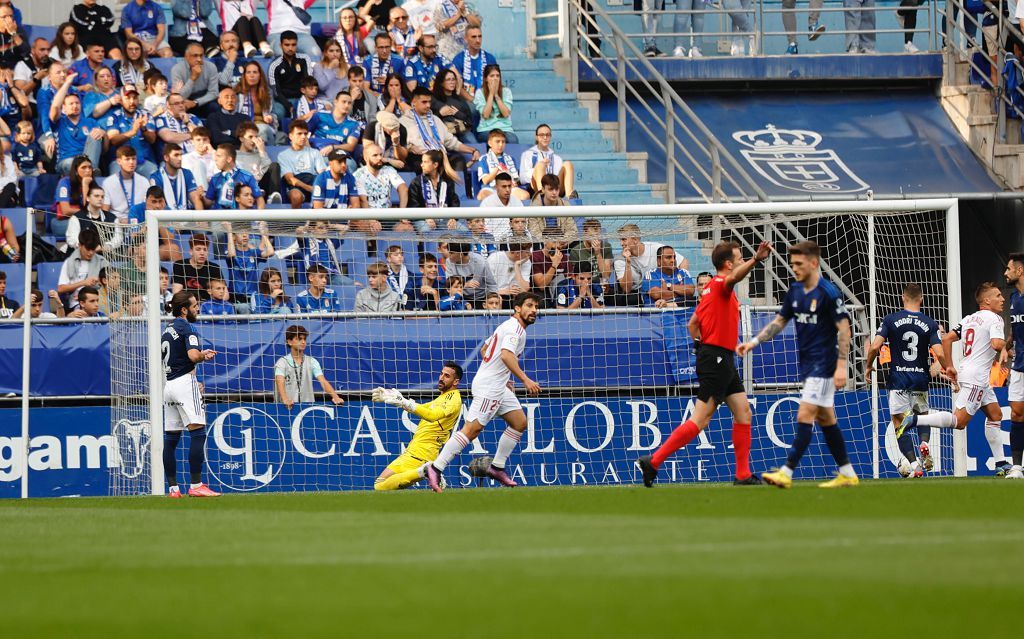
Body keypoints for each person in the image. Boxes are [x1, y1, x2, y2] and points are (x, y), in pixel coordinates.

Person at [636, 241, 770, 486]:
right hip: (717, 358)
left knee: (743, 412)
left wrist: (702, 345)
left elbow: (692, 324)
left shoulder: (708, 290)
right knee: (700, 420)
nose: (741, 262)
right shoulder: (720, 284)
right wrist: (756, 260)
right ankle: (653, 461)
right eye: (739, 259)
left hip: (720, 357)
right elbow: (734, 278)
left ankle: (742, 475)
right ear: (729, 264)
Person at [738, 240, 858, 488]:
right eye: (792, 264)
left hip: (824, 365)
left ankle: (787, 471)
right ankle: (847, 473)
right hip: (807, 363)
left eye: (799, 264)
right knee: (826, 418)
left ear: (814, 263)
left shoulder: (828, 292)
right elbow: (780, 321)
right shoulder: (794, 291)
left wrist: (841, 365)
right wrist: (754, 342)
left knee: (805, 414)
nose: (794, 268)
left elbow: (844, 329)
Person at [423, 291, 543, 491]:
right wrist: (525, 379)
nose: (533, 310)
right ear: (517, 308)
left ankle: (496, 467)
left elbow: (485, 350)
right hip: (490, 386)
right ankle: (436, 467)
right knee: (472, 430)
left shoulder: (507, 325)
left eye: (536, 307)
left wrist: (503, 377)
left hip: (495, 383)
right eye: (529, 306)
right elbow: (505, 355)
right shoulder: (516, 330)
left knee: (519, 422)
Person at [897, 282, 1011, 476]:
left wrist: (948, 365)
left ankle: (1001, 463)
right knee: (959, 422)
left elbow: (947, 338)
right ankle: (914, 419)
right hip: (977, 378)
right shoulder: (995, 319)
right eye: (998, 295)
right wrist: (1006, 345)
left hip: (971, 373)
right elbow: (996, 344)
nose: (1002, 299)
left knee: (995, 415)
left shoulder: (969, 319)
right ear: (986, 300)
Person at [864, 283, 949, 478]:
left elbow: (875, 346)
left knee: (899, 423)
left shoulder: (891, 319)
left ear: (903, 297)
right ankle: (925, 443)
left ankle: (914, 464)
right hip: (920, 378)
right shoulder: (930, 322)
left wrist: (869, 366)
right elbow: (939, 352)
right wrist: (948, 367)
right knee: (922, 415)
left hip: (898, 380)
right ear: (922, 298)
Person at [161, 290, 220, 497]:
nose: (198, 309)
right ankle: (196, 485)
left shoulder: (167, 330)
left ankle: (173, 488)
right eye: (195, 306)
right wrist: (203, 356)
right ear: (184, 309)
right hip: (185, 383)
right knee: (198, 432)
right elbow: (193, 356)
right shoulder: (188, 328)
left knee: (171, 438)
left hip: (168, 387)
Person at [372, 361, 463, 490]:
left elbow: (432, 415)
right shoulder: (442, 398)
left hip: (422, 454)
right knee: (381, 483)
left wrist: (405, 402)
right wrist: (397, 399)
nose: (441, 378)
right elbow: (421, 408)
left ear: (455, 382)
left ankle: (426, 470)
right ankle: (427, 471)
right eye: (441, 374)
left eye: (447, 376)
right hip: (414, 451)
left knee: (380, 487)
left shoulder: (453, 399)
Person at [401, 85, 478, 173]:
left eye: (429, 102)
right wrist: (409, 147)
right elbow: (400, 147)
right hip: (421, 159)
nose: (428, 105)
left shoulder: (435, 119)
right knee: (419, 163)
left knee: (458, 160)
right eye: (424, 102)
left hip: (440, 157)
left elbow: (451, 142)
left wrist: (473, 150)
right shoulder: (403, 122)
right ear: (413, 102)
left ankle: (456, 187)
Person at [275, 324, 344, 409]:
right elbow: (280, 382)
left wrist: (335, 397)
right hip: (287, 408)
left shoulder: (312, 361)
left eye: (304, 339)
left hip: (307, 408)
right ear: (289, 342)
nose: (303, 342)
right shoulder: (282, 362)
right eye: (299, 339)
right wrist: (285, 399)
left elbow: (323, 381)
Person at [49, 75, 104, 175]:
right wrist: (67, 84)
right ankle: (89, 171)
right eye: (71, 104)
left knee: (96, 133)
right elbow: (55, 106)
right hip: (66, 161)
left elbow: (105, 147)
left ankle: (90, 170)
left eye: (77, 103)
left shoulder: (90, 122)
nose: (75, 106)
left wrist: (103, 133)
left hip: (88, 159)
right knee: (71, 164)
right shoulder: (59, 121)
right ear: (64, 108)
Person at [353, 143, 410, 232]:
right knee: (372, 229)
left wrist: (402, 213)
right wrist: (371, 220)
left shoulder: (388, 170)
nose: (379, 158)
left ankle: (394, 246)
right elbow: (362, 200)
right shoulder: (358, 175)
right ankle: (374, 246)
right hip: (366, 214)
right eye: (375, 155)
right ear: (366, 158)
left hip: (386, 214)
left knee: (407, 228)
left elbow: (403, 188)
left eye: (380, 155)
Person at [105, 85, 158, 178]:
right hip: (120, 162)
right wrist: (132, 132)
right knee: (115, 180)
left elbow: (152, 139)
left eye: (135, 98)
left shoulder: (145, 114)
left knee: (157, 179)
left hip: (144, 161)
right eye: (128, 98)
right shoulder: (114, 117)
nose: (132, 102)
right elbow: (113, 140)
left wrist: (143, 129)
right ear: (121, 100)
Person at [1004, 254, 1024, 479]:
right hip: (1019, 365)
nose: (1005, 273)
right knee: (1017, 414)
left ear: (1020, 271)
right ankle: (1017, 467)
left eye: (1008, 269)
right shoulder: (1014, 298)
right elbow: (1014, 329)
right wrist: (1004, 348)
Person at [408, 149, 461, 233]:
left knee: (463, 230)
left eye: (425, 162)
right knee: (426, 230)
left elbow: (454, 202)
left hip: (444, 218)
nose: (422, 165)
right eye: (422, 162)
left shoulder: (447, 181)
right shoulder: (417, 182)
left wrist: (453, 218)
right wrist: (426, 217)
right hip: (422, 219)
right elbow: (413, 206)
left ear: (435, 165)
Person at [279, 119, 327, 208]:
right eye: (299, 134)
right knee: (296, 196)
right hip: (297, 185)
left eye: (305, 134)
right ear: (290, 136)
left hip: (314, 182)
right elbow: (290, 180)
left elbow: (322, 174)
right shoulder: (283, 155)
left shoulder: (315, 152)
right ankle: (298, 222)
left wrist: (317, 188)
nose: (303, 137)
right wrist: (309, 188)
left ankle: (319, 221)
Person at [57, 227, 109, 309]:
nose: (91, 253)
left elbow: (113, 284)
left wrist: (100, 282)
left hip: (101, 301)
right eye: (88, 249)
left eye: (93, 249)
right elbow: (61, 289)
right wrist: (83, 283)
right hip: (78, 303)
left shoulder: (102, 261)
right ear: (80, 245)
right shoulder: (69, 263)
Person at [520, 124, 576, 198]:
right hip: (536, 188)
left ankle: (570, 196)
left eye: (548, 135)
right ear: (536, 137)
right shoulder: (527, 154)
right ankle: (543, 197)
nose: (545, 137)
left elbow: (556, 180)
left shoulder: (557, 158)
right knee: (540, 165)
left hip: (554, 188)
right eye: (541, 135)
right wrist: (540, 168)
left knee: (568, 164)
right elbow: (523, 178)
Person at [204, 142, 266, 209]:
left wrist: (260, 219)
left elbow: (259, 199)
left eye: (219, 156)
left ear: (229, 159)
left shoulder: (247, 176)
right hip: (220, 218)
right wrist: (201, 196)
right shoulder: (215, 179)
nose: (215, 159)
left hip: (242, 218)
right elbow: (208, 202)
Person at [267, 33, 311, 124]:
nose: (290, 48)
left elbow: (308, 83)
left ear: (297, 45)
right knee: (279, 113)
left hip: (301, 98)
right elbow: (276, 92)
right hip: (282, 100)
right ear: (281, 45)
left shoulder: (304, 59)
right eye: (287, 45)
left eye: (293, 45)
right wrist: (289, 106)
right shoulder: (274, 65)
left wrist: (302, 102)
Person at [67, 183, 122, 252]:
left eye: (102, 197)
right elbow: (72, 240)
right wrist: (88, 247)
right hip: (81, 255)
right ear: (88, 198)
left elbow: (118, 238)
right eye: (96, 196)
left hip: (105, 255)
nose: (100, 199)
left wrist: (106, 247)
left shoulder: (112, 218)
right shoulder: (76, 217)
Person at [225, 222, 274, 299]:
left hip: (253, 296)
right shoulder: (231, 252)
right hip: (236, 296)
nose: (244, 235)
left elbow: (270, 252)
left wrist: (263, 234)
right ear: (234, 236)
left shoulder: (254, 252)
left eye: (247, 232)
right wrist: (229, 232)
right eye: (241, 233)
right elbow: (231, 254)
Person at [476, 129, 528, 201]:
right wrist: (498, 169)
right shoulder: (484, 159)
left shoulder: (511, 159)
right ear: (490, 143)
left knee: (525, 196)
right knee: (482, 196)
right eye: (497, 141)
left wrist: (514, 182)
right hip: (491, 189)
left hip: (508, 188)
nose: (501, 144)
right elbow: (485, 180)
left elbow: (516, 179)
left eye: (503, 142)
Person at [151, 142, 205, 211]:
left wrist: (201, 220)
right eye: (176, 155)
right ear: (166, 157)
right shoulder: (156, 177)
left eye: (181, 155)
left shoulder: (187, 173)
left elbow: (195, 198)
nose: (180, 158)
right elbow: (157, 204)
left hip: (185, 218)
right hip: (165, 218)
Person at [170, 42, 219, 116]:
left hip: (204, 99)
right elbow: (180, 96)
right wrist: (193, 78)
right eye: (195, 56)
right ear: (186, 56)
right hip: (185, 100)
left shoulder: (211, 67)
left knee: (214, 107)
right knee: (179, 107)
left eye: (201, 55)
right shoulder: (177, 69)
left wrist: (196, 102)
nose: (199, 59)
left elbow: (214, 93)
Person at [103, 146, 150, 220]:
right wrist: (118, 221)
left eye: (133, 159)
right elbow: (105, 212)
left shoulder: (144, 181)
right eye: (127, 159)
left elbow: (148, 208)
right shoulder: (108, 182)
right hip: (117, 224)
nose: (131, 162)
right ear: (119, 161)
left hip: (139, 222)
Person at [472, 64, 517, 143]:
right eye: (492, 76)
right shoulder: (479, 92)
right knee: (494, 140)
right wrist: (491, 94)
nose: (495, 78)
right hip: (486, 130)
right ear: (486, 79)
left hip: (505, 129)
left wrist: (496, 95)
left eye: (497, 76)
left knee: (513, 140)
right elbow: (485, 115)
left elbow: (506, 113)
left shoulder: (506, 91)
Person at [444, 240, 494, 308]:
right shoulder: (449, 261)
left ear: (461, 254)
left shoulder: (480, 261)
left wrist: (494, 297)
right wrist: (465, 284)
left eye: (451, 253)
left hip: (481, 298)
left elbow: (491, 284)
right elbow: (449, 283)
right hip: (460, 297)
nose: (448, 255)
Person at [172, 234, 223, 300]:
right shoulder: (179, 265)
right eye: (198, 249)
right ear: (191, 252)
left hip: (208, 305)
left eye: (205, 250)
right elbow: (176, 293)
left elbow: (225, 295)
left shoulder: (215, 268)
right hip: (187, 304)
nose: (202, 253)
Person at [450, 25, 494, 100]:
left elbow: (494, 82)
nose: (478, 40)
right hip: (466, 102)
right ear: (466, 39)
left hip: (486, 101)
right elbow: (458, 86)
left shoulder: (489, 58)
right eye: (474, 37)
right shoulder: (458, 59)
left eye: (480, 36)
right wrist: (474, 101)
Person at [431, 67, 474, 143]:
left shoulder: (460, 99)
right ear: (441, 83)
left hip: (462, 131)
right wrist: (440, 114)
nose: (452, 82)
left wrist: (457, 113)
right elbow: (428, 120)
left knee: (473, 143)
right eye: (448, 80)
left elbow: (469, 121)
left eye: (453, 79)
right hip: (443, 133)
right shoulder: (434, 99)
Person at [487, 238, 532, 306]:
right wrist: (503, 291)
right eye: (527, 252)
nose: (530, 254)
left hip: (515, 295)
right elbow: (486, 286)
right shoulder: (495, 258)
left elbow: (525, 288)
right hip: (495, 294)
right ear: (517, 253)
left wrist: (516, 266)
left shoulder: (526, 261)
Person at [569, 218, 613, 286]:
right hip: (584, 285)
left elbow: (606, 275)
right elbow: (577, 278)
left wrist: (598, 254)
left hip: (601, 284)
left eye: (597, 235)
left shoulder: (606, 247)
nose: (595, 239)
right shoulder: (575, 251)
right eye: (592, 236)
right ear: (585, 233)